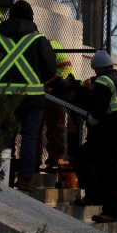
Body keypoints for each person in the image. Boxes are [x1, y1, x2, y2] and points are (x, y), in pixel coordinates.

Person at [0, 0, 58, 192]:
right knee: (29, 137)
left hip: (2, 98)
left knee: (4, 137)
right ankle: (25, 179)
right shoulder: (38, 39)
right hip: (33, 98)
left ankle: (2, 178)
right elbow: (50, 69)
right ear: (31, 17)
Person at [73, 50, 117, 223]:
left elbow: (96, 111)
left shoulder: (103, 81)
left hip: (110, 135)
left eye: (94, 69)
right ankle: (102, 197)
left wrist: (89, 120)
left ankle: (109, 210)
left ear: (98, 68)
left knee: (92, 163)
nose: (94, 72)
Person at [40, 40, 76, 171]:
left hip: (55, 93)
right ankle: (45, 160)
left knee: (55, 127)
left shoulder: (51, 46)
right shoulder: (47, 46)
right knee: (47, 128)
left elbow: (66, 68)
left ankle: (55, 160)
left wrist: (53, 86)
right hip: (44, 91)